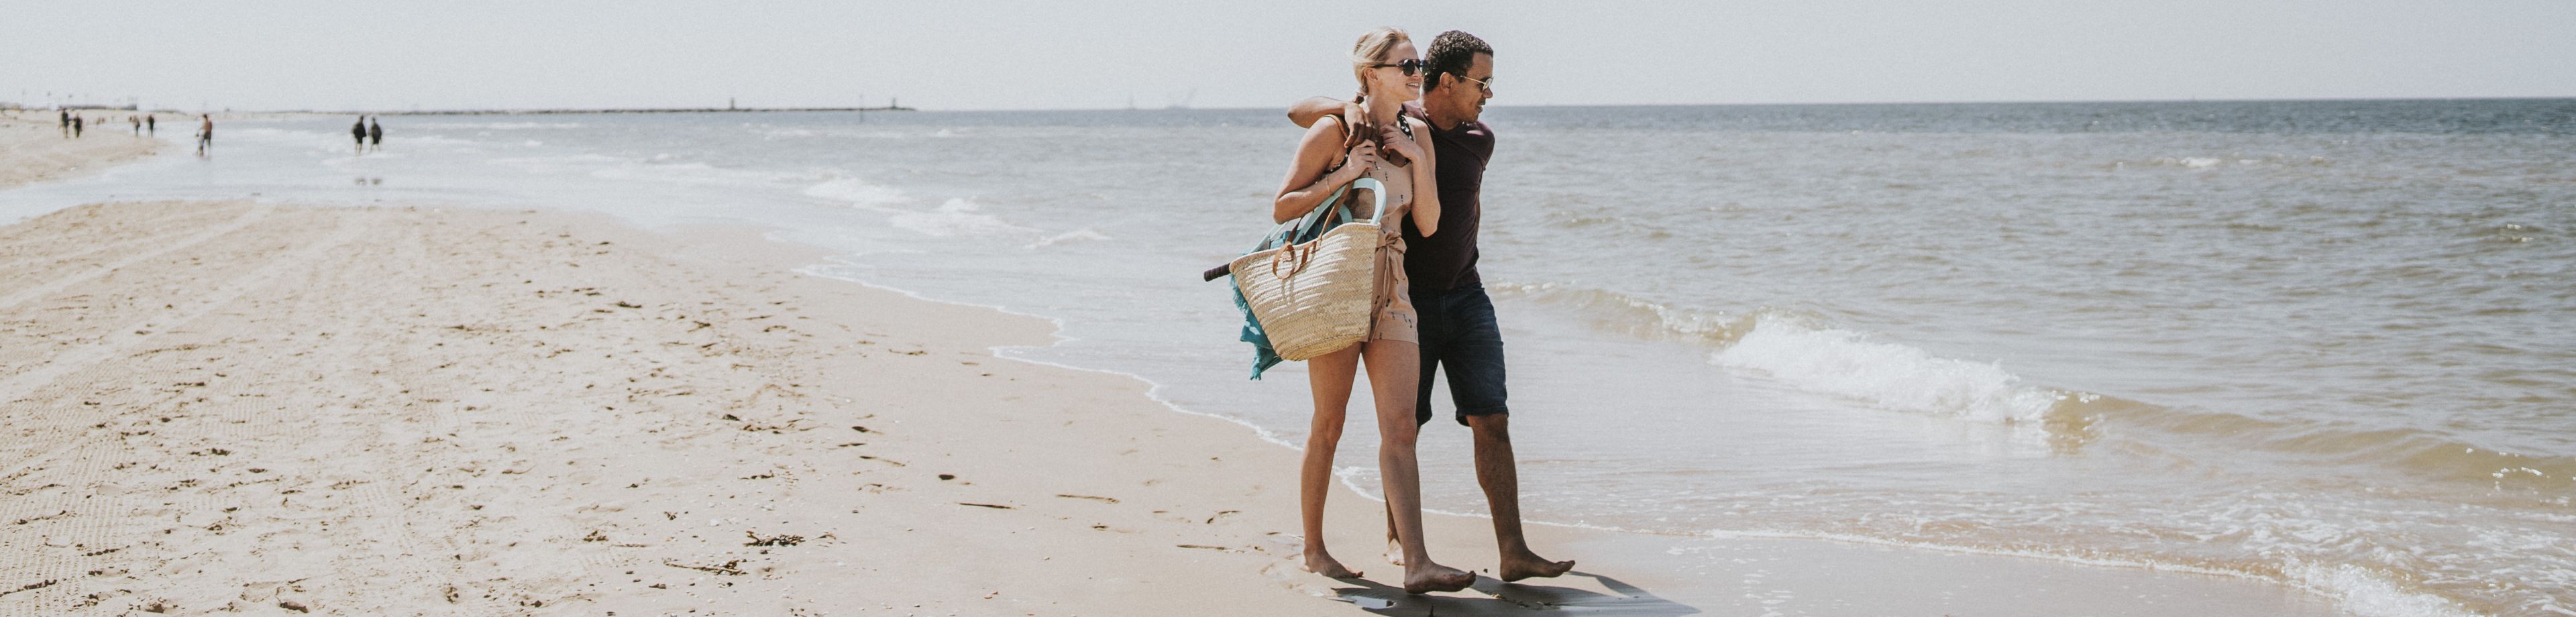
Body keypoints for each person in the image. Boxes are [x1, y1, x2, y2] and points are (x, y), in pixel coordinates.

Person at [1287, 30, 1575, 582]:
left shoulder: (1455, 137)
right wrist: (1348, 118)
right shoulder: (1362, 124)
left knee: (1456, 420)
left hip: (1439, 294)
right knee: (1364, 424)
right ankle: (1360, 546)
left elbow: (1440, 218)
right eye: (1481, 83)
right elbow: (1294, 136)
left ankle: (1483, 555)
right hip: (1373, 290)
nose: (1488, 93)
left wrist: (1419, 160)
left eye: (1416, 63)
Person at [1269, 26, 1470, 595]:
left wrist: (1416, 159)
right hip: (1337, 284)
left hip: (1394, 288)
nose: (1417, 74)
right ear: (1370, 74)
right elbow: (1282, 206)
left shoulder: (1418, 134)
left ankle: (1417, 562)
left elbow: (1428, 222)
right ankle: (1314, 550)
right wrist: (1344, 173)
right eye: (1406, 65)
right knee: (1329, 423)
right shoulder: (1334, 131)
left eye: (1419, 63)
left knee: (1401, 426)